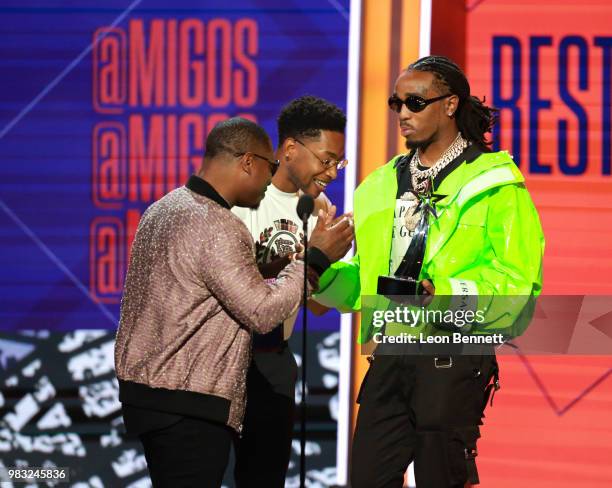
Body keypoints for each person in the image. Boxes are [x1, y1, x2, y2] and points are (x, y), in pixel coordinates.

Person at [313, 56, 545, 487]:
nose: (403, 113)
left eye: (415, 102)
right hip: (391, 352)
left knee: (441, 479)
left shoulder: (495, 184)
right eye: (396, 103)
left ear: (451, 104)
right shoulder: (378, 186)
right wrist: (319, 271)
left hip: (453, 354)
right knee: (367, 478)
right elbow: (362, 283)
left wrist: (443, 295)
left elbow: (518, 285)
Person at [114, 117, 353, 488]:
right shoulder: (217, 225)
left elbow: (206, 287)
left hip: (151, 394)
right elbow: (262, 313)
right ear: (248, 162)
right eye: (269, 167)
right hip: (189, 400)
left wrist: (288, 263)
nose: (270, 179)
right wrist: (315, 260)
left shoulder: (164, 208)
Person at [232, 96, 349, 487]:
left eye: (338, 163)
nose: (332, 173)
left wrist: (327, 264)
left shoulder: (319, 208)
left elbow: (314, 307)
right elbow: (232, 287)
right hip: (227, 357)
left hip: (275, 361)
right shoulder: (243, 195)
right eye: (326, 160)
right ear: (291, 149)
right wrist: (304, 260)